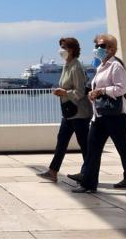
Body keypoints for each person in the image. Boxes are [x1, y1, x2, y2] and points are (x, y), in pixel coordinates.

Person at [72, 33, 126, 195]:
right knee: (93, 149)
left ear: (111, 49)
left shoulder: (116, 66)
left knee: (124, 149)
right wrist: (93, 93)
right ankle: (88, 184)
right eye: (96, 46)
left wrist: (101, 90)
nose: (97, 49)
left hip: (115, 116)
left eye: (101, 46)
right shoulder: (101, 66)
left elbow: (122, 89)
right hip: (100, 115)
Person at [38, 37, 91, 183]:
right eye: (60, 46)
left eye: (63, 47)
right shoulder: (67, 65)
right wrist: (60, 91)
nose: (61, 50)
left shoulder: (76, 66)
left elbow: (80, 91)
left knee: (84, 145)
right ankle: (53, 171)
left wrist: (64, 93)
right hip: (68, 112)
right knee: (61, 142)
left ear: (72, 50)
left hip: (79, 113)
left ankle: (89, 175)